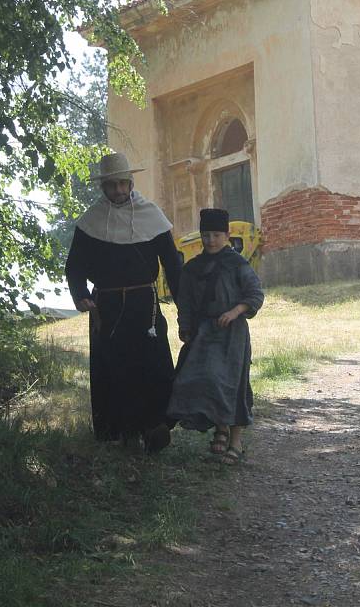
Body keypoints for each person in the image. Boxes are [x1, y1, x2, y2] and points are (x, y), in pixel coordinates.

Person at [65, 152, 182, 451]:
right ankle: (123, 431)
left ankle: (154, 427)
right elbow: (75, 266)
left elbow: (172, 263)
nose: (118, 190)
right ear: (103, 187)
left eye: (123, 184)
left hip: (146, 306)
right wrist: (80, 295)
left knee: (152, 365)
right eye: (112, 185)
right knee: (116, 369)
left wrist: (185, 305)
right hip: (108, 307)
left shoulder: (151, 215)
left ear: (131, 183)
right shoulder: (91, 221)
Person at [167, 208, 264, 466]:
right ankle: (218, 428)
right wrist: (185, 327)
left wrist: (235, 311)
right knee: (204, 380)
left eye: (216, 235)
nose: (211, 240)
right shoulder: (192, 268)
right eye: (206, 235)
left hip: (232, 334)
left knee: (232, 384)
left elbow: (255, 294)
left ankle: (235, 442)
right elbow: (185, 302)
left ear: (227, 235)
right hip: (203, 333)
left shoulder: (237, 264)